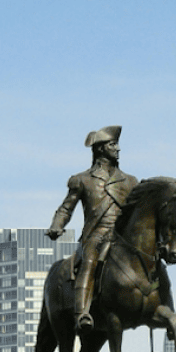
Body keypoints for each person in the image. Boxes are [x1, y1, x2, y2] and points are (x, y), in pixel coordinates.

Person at [46, 125, 139, 331]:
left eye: (117, 144)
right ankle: (82, 313)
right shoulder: (82, 180)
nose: (118, 149)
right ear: (100, 149)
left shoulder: (131, 181)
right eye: (113, 144)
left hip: (122, 238)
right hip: (96, 235)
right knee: (89, 261)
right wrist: (56, 226)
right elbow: (66, 208)